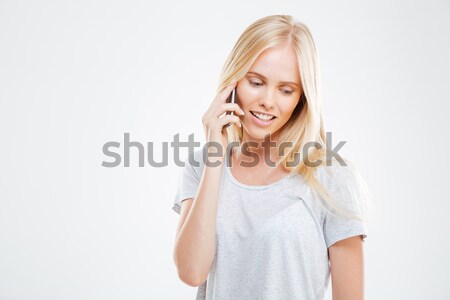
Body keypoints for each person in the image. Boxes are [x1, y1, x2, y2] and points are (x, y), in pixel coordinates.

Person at [172, 15, 372, 300]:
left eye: (286, 90)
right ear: (233, 82)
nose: (268, 100)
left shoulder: (330, 176)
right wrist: (215, 154)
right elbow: (191, 272)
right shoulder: (201, 166)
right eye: (256, 82)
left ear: (302, 98)